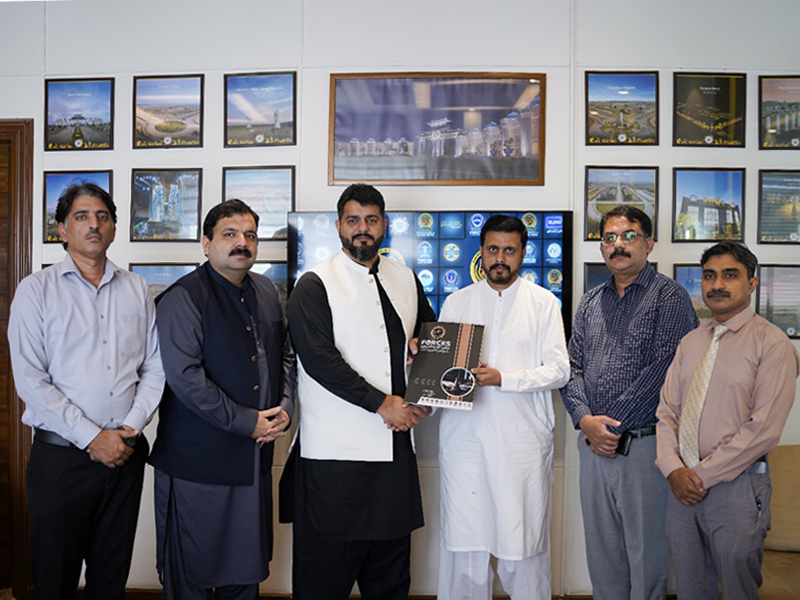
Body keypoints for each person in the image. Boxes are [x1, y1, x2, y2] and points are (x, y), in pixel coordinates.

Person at [7, 183, 165, 600]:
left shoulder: (136, 289)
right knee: (53, 581)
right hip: (61, 462)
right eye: (81, 216)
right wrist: (94, 438)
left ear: (114, 228)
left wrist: (129, 429)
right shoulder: (35, 290)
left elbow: (154, 367)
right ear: (61, 228)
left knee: (110, 580)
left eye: (103, 216)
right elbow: (31, 379)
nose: (93, 224)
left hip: (124, 458)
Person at [282, 184, 435, 600]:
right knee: (321, 585)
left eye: (371, 220)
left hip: (394, 458)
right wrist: (384, 404)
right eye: (353, 221)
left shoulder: (405, 278)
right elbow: (320, 361)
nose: (362, 230)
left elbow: (429, 336)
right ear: (338, 226)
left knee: (390, 582)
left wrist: (425, 385)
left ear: (385, 225)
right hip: (334, 465)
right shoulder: (313, 285)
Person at [148, 199, 295, 600]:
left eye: (250, 235)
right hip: (197, 465)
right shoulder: (183, 297)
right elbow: (185, 378)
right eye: (229, 234)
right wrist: (249, 422)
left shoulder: (266, 290)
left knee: (245, 576)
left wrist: (285, 407)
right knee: (191, 577)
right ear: (206, 243)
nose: (242, 243)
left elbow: (284, 354)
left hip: (252, 465)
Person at [561, 205, 698, 600]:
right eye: (609, 238)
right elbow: (572, 367)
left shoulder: (669, 298)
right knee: (602, 551)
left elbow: (664, 369)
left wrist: (611, 426)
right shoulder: (589, 302)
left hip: (643, 446)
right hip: (591, 446)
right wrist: (585, 420)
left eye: (628, 236)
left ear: (649, 243)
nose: (617, 245)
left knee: (646, 552)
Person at [436, 215, 570, 600]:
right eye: (493, 249)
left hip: (521, 447)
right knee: (465, 550)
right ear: (481, 251)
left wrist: (503, 378)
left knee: (522, 549)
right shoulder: (457, 301)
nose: (500, 258)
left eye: (509, 250)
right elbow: (441, 374)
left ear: (523, 253)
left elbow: (559, 370)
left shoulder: (543, 303)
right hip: (465, 445)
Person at [656, 242, 799, 600]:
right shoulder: (690, 342)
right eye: (709, 276)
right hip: (680, 488)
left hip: (737, 485)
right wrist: (674, 469)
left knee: (738, 589)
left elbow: (763, 429)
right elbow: (666, 412)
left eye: (729, 275)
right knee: (690, 588)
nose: (717, 284)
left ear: (751, 283)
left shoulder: (773, 344)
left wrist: (699, 476)